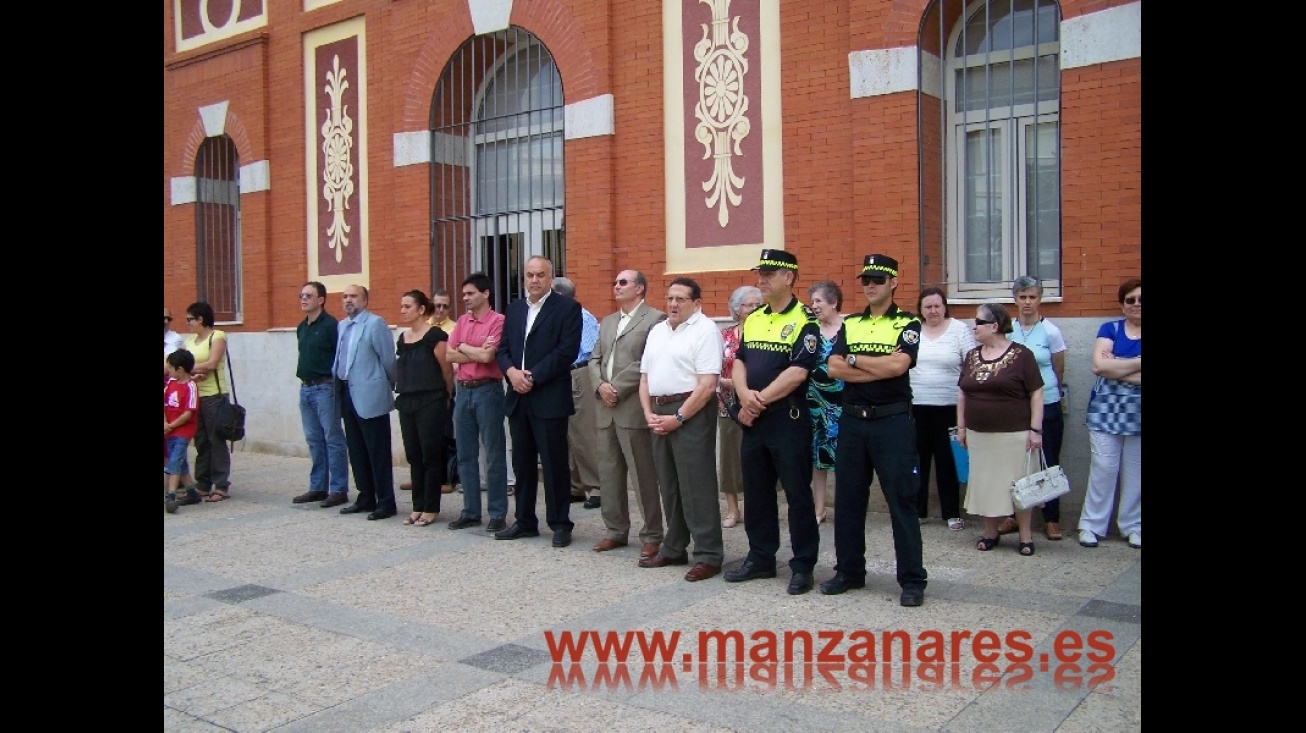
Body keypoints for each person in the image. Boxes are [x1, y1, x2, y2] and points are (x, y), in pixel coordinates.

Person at [821, 254, 928, 607]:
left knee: (902, 501)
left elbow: (899, 365)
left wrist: (856, 360)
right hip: (853, 420)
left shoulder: (908, 322)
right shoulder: (850, 323)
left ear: (893, 283)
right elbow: (834, 367)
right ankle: (849, 571)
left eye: (878, 280)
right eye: (865, 279)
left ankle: (912, 579)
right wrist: (872, 367)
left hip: (892, 423)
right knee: (848, 501)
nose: (870, 285)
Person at [724, 249, 821, 596]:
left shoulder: (805, 320)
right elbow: (739, 361)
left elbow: (798, 372)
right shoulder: (756, 318)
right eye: (760, 273)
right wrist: (744, 395)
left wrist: (757, 400)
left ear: (789, 277)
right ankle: (761, 557)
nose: (761, 279)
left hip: (787, 418)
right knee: (757, 492)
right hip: (755, 418)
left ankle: (803, 565)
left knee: (797, 493)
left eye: (769, 273)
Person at [638, 277, 725, 581]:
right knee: (669, 483)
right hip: (659, 412)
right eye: (670, 298)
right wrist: (649, 412)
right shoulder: (658, 331)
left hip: (691, 411)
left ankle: (709, 554)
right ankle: (674, 547)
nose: (673, 304)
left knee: (696, 484)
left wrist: (679, 417)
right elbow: (645, 377)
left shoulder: (705, 331)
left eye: (681, 299)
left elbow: (707, 384)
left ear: (696, 303)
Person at [495, 256, 582, 548]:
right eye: (530, 275)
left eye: (540, 275)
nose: (534, 280)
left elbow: (566, 351)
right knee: (522, 463)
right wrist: (510, 373)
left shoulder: (568, 308)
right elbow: (503, 348)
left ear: (551, 278)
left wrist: (531, 376)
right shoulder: (515, 309)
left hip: (548, 396)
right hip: (517, 397)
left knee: (554, 463)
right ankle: (524, 521)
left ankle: (560, 523)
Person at [957, 302, 1044, 557]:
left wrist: (1035, 430)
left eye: (979, 322)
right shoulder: (972, 356)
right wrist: (961, 427)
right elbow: (962, 392)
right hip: (979, 435)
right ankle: (990, 532)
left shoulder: (1022, 355)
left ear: (994, 326)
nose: (974, 327)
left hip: (1015, 435)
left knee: (1020, 486)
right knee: (985, 485)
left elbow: (1036, 393)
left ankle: (1025, 536)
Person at [590, 270, 665, 558]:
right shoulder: (607, 321)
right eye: (615, 282)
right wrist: (599, 385)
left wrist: (616, 387)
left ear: (640, 289)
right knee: (609, 473)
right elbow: (594, 358)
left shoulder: (654, 319)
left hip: (631, 405)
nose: (617, 286)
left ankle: (652, 534)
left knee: (642, 474)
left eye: (623, 282)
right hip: (604, 407)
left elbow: (645, 362)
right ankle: (615, 530)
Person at [1078, 278, 1142, 550]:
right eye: (1131, 299)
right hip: (1105, 413)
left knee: (1136, 472)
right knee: (1103, 469)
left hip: (1138, 415)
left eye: (1141, 299)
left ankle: (1133, 526)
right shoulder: (1110, 328)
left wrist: (1116, 365)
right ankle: (1091, 525)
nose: (1136, 304)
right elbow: (1099, 366)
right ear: (1122, 304)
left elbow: (1109, 367)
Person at [445, 273, 509, 533]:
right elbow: (450, 354)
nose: (465, 298)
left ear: (486, 294)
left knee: (494, 454)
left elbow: (487, 356)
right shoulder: (462, 321)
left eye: (470, 293)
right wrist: (472, 349)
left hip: (488, 391)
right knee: (465, 454)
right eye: (464, 294)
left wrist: (464, 348)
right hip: (463, 390)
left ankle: (497, 513)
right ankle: (470, 511)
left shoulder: (499, 321)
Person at [1007, 275, 1069, 540]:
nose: (1027, 302)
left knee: (1048, 461)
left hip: (1047, 404)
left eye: (1032, 297)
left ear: (1040, 299)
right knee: (1015, 464)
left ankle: (1051, 519)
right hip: (1015, 408)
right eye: (1022, 297)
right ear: (1015, 300)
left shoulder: (1051, 331)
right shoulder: (1007, 329)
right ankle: (1012, 516)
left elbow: (1057, 369)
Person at [908, 287, 975, 532]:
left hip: (949, 408)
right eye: (928, 307)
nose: (933, 311)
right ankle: (918, 510)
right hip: (917, 407)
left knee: (948, 462)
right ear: (921, 309)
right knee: (918, 461)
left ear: (945, 306)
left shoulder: (959, 330)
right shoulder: (912, 330)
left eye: (937, 306)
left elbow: (971, 366)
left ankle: (952, 513)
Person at [334, 284, 400, 520]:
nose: (348, 300)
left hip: (370, 394)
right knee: (357, 449)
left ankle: (385, 501)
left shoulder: (375, 324)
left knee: (377, 450)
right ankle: (365, 496)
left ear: (365, 301)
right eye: (345, 296)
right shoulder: (341, 326)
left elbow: (388, 360)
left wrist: (391, 386)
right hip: (346, 393)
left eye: (353, 296)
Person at [395, 290, 454, 527]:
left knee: (431, 454)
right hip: (407, 400)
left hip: (431, 400)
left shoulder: (436, 336)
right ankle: (417, 505)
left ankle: (431, 507)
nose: (403, 310)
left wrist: (445, 396)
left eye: (408, 306)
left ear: (421, 309)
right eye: (402, 306)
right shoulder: (403, 338)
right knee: (414, 454)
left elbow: (446, 370)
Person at [292, 281, 350, 508]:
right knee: (314, 440)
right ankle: (318, 486)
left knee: (332, 438)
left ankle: (338, 489)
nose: (303, 299)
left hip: (325, 387)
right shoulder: (301, 326)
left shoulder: (330, 325)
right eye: (301, 295)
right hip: (305, 387)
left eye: (308, 295)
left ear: (321, 300)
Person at [552, 277, 602, 509]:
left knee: (583, 432)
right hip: (560, 375)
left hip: (577, 373)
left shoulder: (582, 317)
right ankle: (576, 486)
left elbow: (591, 352)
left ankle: (597, 487)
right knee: (567, 433)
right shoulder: (561, 316)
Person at [716, 285, 761, 528]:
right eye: (749, 304)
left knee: (761, 458)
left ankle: (761, 507)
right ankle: (733, 510)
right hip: (729, 405)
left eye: (758, 305)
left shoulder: (766, 332)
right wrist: (729, 383)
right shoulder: (725, 336)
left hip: (758, 402)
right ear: (736, 309)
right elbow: (713, 368)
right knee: (730, 458)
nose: (754, 309)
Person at [180, 301, 233, 504]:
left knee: (216, 440)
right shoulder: (190, 341)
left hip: (214, 396)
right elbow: (181, 365)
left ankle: (221, 485)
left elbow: (211, 363)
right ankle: (202, 484)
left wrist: (189, 370)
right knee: (201, 441)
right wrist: (193, 373)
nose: (188, 323)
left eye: (190, 319)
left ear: (200, 319)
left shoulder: (216, 336)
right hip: (195, 396)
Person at [806, 280, 844, 524]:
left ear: (834, 302)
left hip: (842, 403)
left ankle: (845, 507)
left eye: (818, 301)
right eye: (812, 302)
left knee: (845, 457)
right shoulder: (810, 330)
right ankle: (819, 508)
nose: (814, 306)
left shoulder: (849, 328)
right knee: (817, 457)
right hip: (814, 402)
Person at [164, 349, 200, 513]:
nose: (168, 370)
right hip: (169, 429)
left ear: (180, 369)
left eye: (170, 367)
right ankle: (192, 492)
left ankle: (170, 496)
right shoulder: (170, 383)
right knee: (180, 461)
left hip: (183, 430)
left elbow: (188, 413)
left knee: (175, 460)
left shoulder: (191, 387)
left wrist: (171, 425)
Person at [164, 307, 186, 383]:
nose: (166, 321)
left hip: (169, 386)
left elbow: (165, 368)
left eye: (169, 319)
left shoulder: (175, 338)